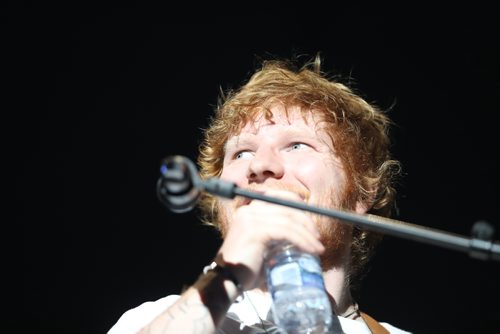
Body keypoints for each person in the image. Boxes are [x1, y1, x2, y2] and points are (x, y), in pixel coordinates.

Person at [108, 54, 411, 334]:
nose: (260, 165)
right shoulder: (155, 319)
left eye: (296, 145)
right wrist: (225, 276)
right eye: (241, 153)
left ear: (362, 193)